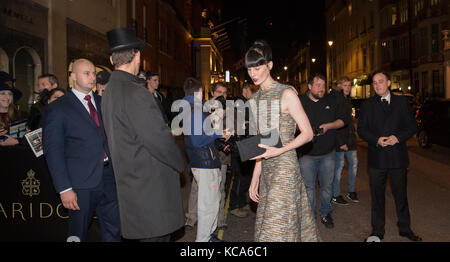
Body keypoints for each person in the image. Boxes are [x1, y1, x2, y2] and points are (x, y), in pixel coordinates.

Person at [101, 27, 185, 242]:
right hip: (150, 190)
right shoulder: (135, 92)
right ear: (137, 55)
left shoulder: (110, 90)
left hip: (131, 186)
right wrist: (179, 163)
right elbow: (157, 139)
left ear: (112, 60)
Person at [246, 40, 320, 242]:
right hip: (267, 173)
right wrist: (255, 179)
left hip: (285, 169)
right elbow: (261, 145)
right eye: (250, 68)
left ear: (269, 65)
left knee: (274, 232)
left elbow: (307, 134)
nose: (253, 73)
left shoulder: (286, 93)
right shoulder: (253, 101)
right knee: (272, 229)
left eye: (258, 67)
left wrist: (279, 151)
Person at [42, 58, 121, 242]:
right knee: (77, 234)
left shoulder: (104, 103)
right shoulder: (58, 108)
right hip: (80, 185)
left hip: (109, 178)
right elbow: (53, 152)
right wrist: (64, 188)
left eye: (93, 73)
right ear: (73, 77)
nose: (92, 77)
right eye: (86, 73)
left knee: (114, 231)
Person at [358, 70, 421, 242]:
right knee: (377, 197)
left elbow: (412, 126)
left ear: (388, 84)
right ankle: (377, 231)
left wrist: (398, 138)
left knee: (401, 195)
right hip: (377, 159)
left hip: (397, 157)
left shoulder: (401, 102)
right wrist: (377, 139)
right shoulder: (368, 104)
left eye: (380, 81)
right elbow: (361, 130)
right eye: (375, 83)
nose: (377, 85)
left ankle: (405, 228)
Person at [297, 73, 347, 229]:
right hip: (306, 155)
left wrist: (328, 126)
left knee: (327, 186)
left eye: (323, 85)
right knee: (309, 189)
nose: (322, 89)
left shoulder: (331, 100)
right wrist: (303, 129)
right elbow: (292, 122)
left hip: (328, 154)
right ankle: (310, 217)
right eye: (318, 85)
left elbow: (343, 120)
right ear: (310, 86)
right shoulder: (300, 101)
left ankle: (325, 213)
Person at [182, 77, 229, 242]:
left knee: (211, 203)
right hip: (205, 162)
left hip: (202, 161)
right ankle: (203, 240)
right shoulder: (194, 109)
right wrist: (219, 133)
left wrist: (218, 118)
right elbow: (198, 140)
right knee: (208, 207)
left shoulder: (191, 107)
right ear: (200, 91)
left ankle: (209, 236)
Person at [331, 77, 359, 205]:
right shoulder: (336, 98)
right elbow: (335, 122)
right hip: (340, 141)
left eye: (349, 85)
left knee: (353, 164)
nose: (348, 87)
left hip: (350, 139)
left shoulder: (347, 99)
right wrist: (341, 142)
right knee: (338, 168)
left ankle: (351, 191)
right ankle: (335, 195)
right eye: (345, 85)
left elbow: (348, 121)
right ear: (340, 86)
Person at [229, 84, 254, 218]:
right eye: (251, 90)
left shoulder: (246, 103)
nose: (252, 93)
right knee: (239, 177)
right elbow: (237, 125)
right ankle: (234, 206)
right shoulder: (238, 104)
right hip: (239, 145)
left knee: (246, 176)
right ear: (244, 90)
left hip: (247, 143)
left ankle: (242, 202)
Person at [0, 82, 23, 146]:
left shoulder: (22, 116)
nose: (7, 97)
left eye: (10, 94)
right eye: (3, 93)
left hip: (18, 154)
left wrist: (24, 137)